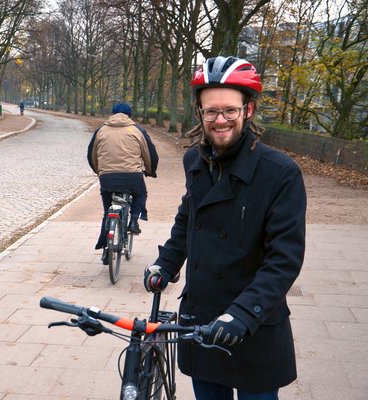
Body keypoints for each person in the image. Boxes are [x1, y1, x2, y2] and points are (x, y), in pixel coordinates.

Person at [143, 56, 306, 399]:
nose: (220, 120)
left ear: (248, 110)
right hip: (201, 320)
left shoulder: (280, 172)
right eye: (211, 111)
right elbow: (189, 218)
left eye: (229, 111)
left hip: (253, 326)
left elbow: (285, 258)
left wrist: (244, 313)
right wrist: (166, 263)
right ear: (199, 113)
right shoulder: (195, 160)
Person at [87, 102, 158, 264]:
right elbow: (149, 153)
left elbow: (92, 155)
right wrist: (150, 170)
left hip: (107, 178)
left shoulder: (101, 130)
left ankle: (106, 249)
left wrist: (100, 172)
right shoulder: (137, 130)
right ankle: (133, 220)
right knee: (141, 194)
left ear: (112, 114)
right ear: (130, 115)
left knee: (107, 212)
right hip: (132, 177)